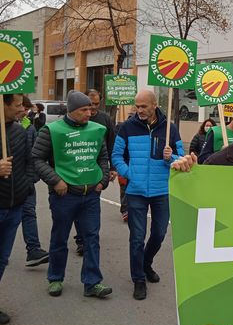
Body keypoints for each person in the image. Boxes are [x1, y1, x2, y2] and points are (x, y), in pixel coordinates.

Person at [32, 91, 112, 299]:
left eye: (90, 109)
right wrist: (55, 180)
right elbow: (37, 159)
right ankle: (55, 278)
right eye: (84, 109)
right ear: (71, 110)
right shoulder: (52, 130)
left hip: (91, 195)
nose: (89, 112)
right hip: (64, 196)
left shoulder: (97, 130)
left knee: (92, 238)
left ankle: (92, 282)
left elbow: (103, 157)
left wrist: (103, 180)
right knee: (60, 237)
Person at [112, 89, 185, 300]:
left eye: (143, 106)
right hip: (136, 192)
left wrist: (172, 158)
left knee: (159, 233)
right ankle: (138, 279)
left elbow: (181, 159)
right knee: (136, 238)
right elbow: (116, 155)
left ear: (155, 105)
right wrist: (129, 174)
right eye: (137, 106)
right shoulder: (127, 127)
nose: (139, 110)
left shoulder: (170, 129)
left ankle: (146, 263)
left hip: (162, 191)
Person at [0, 94, 34, 324]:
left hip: (14, 207)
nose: (22, 109)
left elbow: (29, 162)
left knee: (2, 259)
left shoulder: (20, 131)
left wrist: (26, 185)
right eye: (18, 105)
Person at [72, 89, 118, 254]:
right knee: (77, 204)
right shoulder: (76, 119)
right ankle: (81, 238)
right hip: (77, 168)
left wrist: (112, 167)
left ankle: (89, 237)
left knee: (91, 204)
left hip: (97, 168)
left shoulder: (104, 118)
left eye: (96, 105)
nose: (92, 110)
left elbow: (112, 142)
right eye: (89, 106)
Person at [18, 96, 49, 267]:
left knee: (29, 213)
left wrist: (31, 178)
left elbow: (34, 155)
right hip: (6, 183)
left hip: (25, 181)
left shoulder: (28, 128)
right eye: (21, 107)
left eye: (25, 108)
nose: (24, 111)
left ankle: (33, 250)